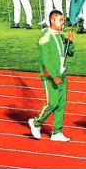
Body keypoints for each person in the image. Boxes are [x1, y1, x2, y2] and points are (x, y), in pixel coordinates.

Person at [28, 10, 74, 142]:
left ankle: (57, 132)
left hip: (62, 74)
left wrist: (70, 42)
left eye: (63, 20)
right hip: (50, 76)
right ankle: (36, 123)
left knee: (61, 104)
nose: (62, 23)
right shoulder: (45, 37)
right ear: (52, 21)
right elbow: (45, 60)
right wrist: (54, 76)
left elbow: (69, 53)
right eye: (60, 20)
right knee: (52, 103)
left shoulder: (60, 36)